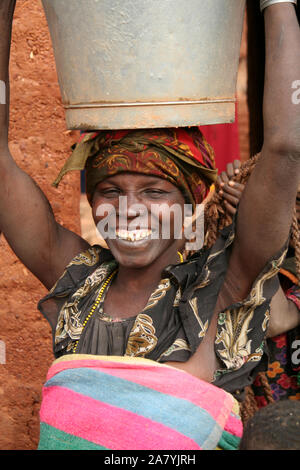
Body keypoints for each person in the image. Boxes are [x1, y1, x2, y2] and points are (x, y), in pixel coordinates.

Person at [0, 0, 300, 450]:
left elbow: (285, 147)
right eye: (110, 190)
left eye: (155, 192)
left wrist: (277, 4)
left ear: (192, 199)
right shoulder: (79, 282)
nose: (128, 209)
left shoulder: (221, 288)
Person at [212, 157, 300, 418]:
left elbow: (274, 320)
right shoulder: (228, 260)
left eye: (297, 203)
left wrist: (257, 226)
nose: (288, 212)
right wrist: (225, 207)